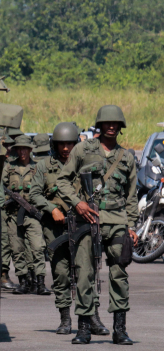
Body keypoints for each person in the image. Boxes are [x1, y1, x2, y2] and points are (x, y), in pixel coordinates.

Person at [57, 106, 138, 345]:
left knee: (119, 274)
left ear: (121, 127)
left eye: (116, 123)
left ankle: (120, 329)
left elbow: (131, 195)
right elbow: (63, 180)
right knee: (84, 274)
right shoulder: (83, 149)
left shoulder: (127, 157)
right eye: (107, 123)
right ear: (100, 125)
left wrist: (132, 225)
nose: (111, 126)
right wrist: (77, 203)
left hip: (117, 222)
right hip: (88, 220)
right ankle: (83, 328)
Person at [29, 123, 109, 336]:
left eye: (70, 144)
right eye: (61, 144)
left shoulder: (86, 164)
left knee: (87, 272)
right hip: (56, 227)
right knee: (61, 272)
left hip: (83, 225)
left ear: (76, 144)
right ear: (55, 145)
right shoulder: (44, 166)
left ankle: (92, 317)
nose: (66, 148)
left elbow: (101, 190)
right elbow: (34, 194)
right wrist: (51, 208)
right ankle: (65, 318)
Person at [0, 135, 49, 295]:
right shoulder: (8, 167)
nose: (22, 152)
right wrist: (4, 202)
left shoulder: (38, 167)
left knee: (37, 247)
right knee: (17, 248)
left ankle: (40, 282)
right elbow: (1, 187)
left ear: (30, 150)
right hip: (13, 214)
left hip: (32, 214)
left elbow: (45, 188)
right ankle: (24, 281)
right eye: (19, 149)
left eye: (25, 149)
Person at [0, 134, 18, 291]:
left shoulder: (9, 164)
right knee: (3, 241)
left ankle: (3, 273)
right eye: (5, 146)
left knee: (7, 241)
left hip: (5, 207)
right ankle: (2, 275)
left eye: (9, 147)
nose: (8, 149)